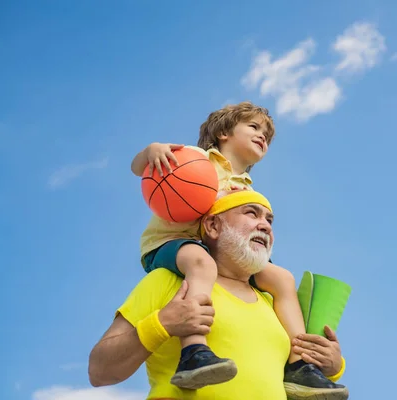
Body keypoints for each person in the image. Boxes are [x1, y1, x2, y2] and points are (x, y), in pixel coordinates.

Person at [129, 101, 346, 397]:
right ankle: (194, 349)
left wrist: (333, 364)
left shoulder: (247, 186)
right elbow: (137, 167)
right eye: (254, 127)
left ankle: (300, 366)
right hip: (170, 243)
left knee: (282, 278)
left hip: (213, 250)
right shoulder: (197, 159)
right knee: (202, 263)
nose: (262, 136)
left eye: (267, 135)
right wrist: (152, 150)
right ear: (223, 134)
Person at [88, 191, 348, 400]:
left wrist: (332, 366)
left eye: (270, 220)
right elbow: (99, 371)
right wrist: (163, 324)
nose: (265, 226)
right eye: (251, 213)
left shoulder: (275, 303)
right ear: (212, 226)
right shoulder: (168, 281)